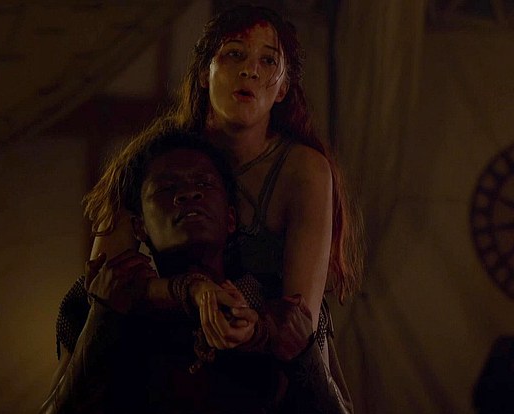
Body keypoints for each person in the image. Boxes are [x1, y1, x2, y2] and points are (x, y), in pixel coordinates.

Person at [49, 4, 359, 412]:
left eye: (268, 61)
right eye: (234, 54)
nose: (250, 70)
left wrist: (253, 326)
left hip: (265, 331)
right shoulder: (156, 157)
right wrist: (190, 291)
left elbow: (298, 309)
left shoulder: (304, 169)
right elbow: (107, 280)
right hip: (165, 316)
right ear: (203, 72)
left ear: (283, 87)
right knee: (86, 318)